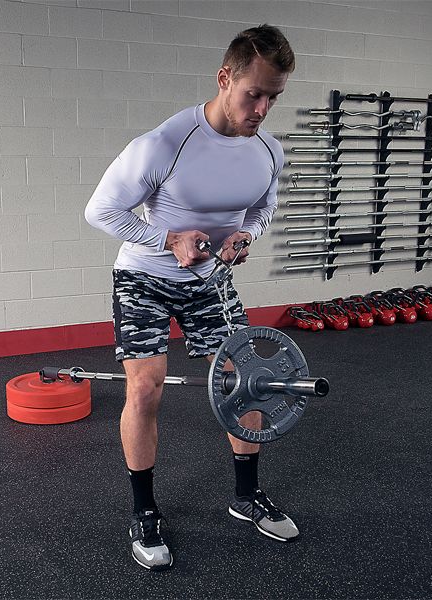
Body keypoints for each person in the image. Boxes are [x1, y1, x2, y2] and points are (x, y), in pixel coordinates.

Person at [85, 24, 296, 571]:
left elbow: (264, 207)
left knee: (247, 381)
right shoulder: (163, 144)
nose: (262, 110)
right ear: (225, 78)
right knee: (146, 388)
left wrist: (246, 234)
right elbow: (100, 211)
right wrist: (167, 239)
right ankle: (144, 511)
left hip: (210, 282)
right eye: (254, 94)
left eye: (273, 97)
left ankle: (246, 496)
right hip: (144, 279)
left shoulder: (268, 150)